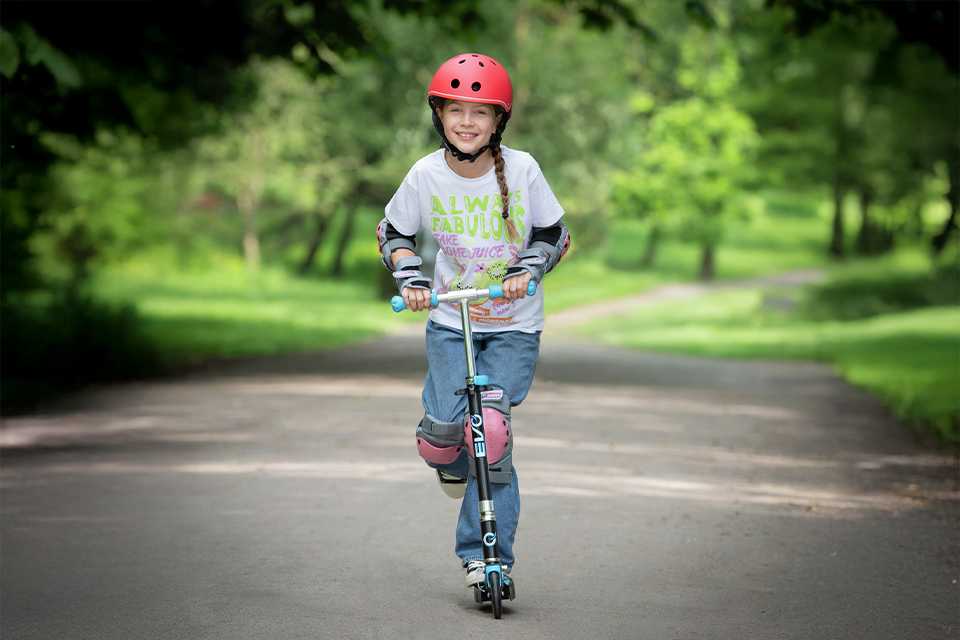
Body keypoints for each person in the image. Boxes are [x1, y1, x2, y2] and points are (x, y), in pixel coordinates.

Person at [376, 52, 570, 590]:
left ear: (498, 120)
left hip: (513, 327)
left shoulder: (524, 169)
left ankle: (488, 558)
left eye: (480, 112)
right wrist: (412, 279)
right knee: (443, 438)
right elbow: (392, 233)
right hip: (450, 321)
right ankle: (452, 457)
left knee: (491, 434)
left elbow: (555, 234)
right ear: (439, 114)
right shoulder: (426, 174)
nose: (467, 121)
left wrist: (528, 268)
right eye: (456, 109)